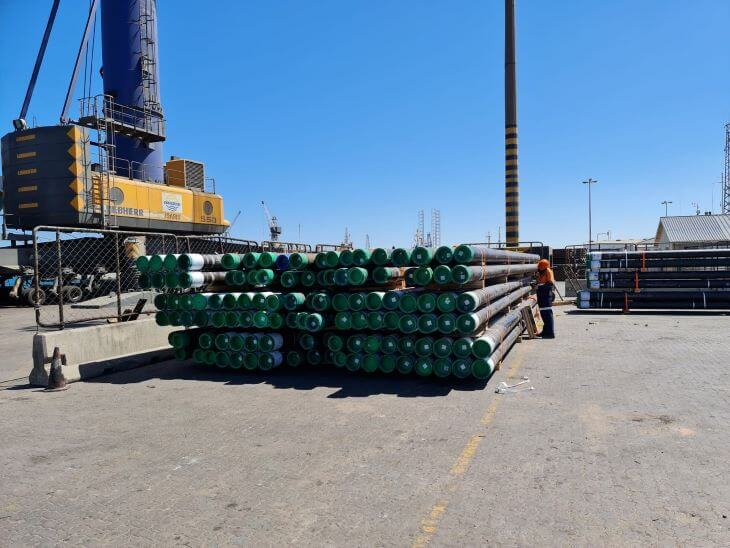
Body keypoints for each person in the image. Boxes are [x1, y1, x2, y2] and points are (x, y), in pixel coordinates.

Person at [535, 258, 556, 338]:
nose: (539, 269)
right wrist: (536, 284)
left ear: (544, 267)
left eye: (540, 267)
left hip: (546, 295)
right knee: (544, 314)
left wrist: (539, 287)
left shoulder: (548, 271)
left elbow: (550, 284)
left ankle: (550, 333)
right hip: (542, 295)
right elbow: (540, 281)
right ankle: (545, 331)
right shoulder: (542, 272)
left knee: (547, 314)